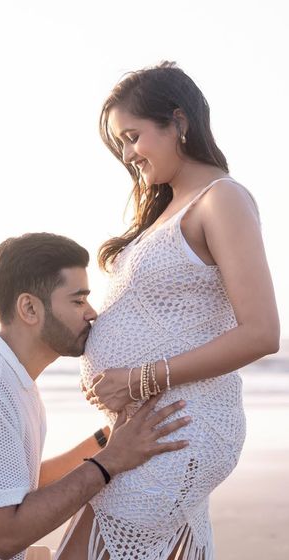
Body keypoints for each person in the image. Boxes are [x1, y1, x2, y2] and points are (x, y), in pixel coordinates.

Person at [55, 62, 280, 559]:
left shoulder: (223, 200)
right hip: (149, 427)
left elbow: (263, 332)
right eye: (120, 145)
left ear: (178, 121)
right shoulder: (168, 209)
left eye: (133, 136)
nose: (128, 154)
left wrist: (138, 380)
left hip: (182, 423)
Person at [0, 232, 191, 560]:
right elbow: (6, 535)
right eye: (78, 300)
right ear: (29, 308)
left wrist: (107, 439)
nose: (92, 312)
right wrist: (111, 461)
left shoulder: (11, 380)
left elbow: (13, 484)